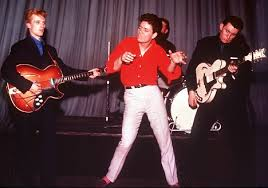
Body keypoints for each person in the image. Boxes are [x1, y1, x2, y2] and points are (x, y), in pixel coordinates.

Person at [0, 8, 101, 186]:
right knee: (25, 146)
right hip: (25, 102)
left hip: (47, 104)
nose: (41, 26)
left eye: (43, 22)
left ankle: (48, 182)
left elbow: (65, 71)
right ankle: (26, 182)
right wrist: (29, 85)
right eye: (37, 22)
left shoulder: (50, 51)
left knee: (49, 145)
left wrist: (87, 73)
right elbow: (6, 71)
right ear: (28, 25)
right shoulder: (20, 47)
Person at [96, 13, 187, 187]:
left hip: (152, 94)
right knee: (126, 140)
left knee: (164, 138)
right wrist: (121, 59)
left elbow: (170, 74)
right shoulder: (126, 43)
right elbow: (109, 67)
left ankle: (173, 181)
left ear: (154, 35)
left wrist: (174, 62)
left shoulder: (158, 50)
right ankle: (109, 177)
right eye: (140, 28)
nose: (140, 32)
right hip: (132, 96)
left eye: (146, 30)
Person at [185, 16, 255, 186]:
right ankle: (192, 178)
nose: (228, 36)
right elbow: (192, 69)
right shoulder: (204, 43)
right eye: (226, 31)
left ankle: (237, 180)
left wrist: (236, 72)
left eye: (233, 34)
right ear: (221, 26)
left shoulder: (241, 48)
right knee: (196, 139)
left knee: (237, 142)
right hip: (208, 99)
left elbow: (246, 77)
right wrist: (192, 90)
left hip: (231, 101)